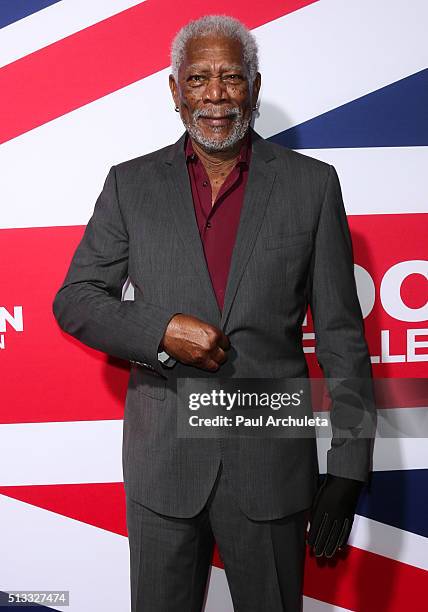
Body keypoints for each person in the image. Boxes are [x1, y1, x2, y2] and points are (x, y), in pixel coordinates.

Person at [52, 14, 376, 612]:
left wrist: (351, 463)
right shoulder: (129, 185)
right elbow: (76, 300)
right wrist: (160, 331)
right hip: (163, 468)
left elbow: (341, 339)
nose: (216, 96)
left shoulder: (312, 186)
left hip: (271, 466)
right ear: (175, 90)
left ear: (254, 85)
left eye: (232, 78)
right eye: (198, 78)